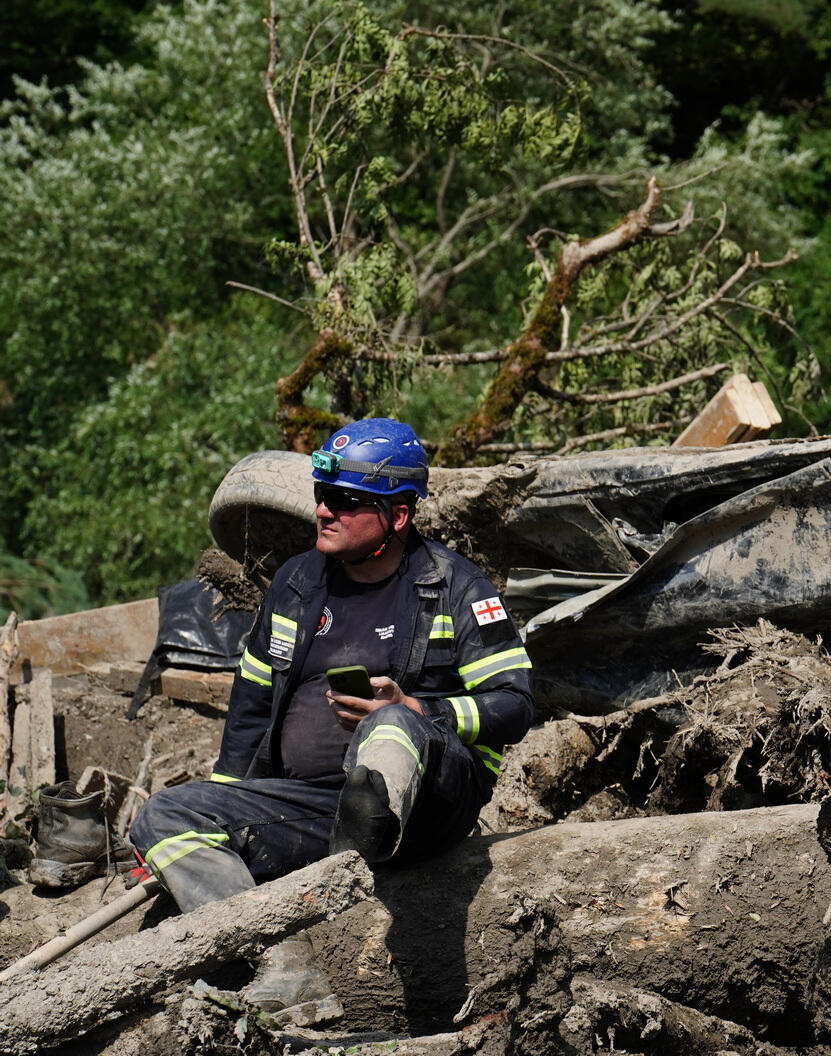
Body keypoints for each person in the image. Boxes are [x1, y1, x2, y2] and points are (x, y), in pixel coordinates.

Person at [129, 418, 535, 1020]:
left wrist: (420, 709)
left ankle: (365, 836)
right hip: (311, 805)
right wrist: (227, 807)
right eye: (322, 496)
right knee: (165, 816)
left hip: (428, 804)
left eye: (345, 501)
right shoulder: (296, 582)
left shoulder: (454, 586)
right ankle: (281, 961)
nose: (324, 511)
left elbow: (516, 703)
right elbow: (252, 703)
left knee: (391, 725)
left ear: (398, 516)